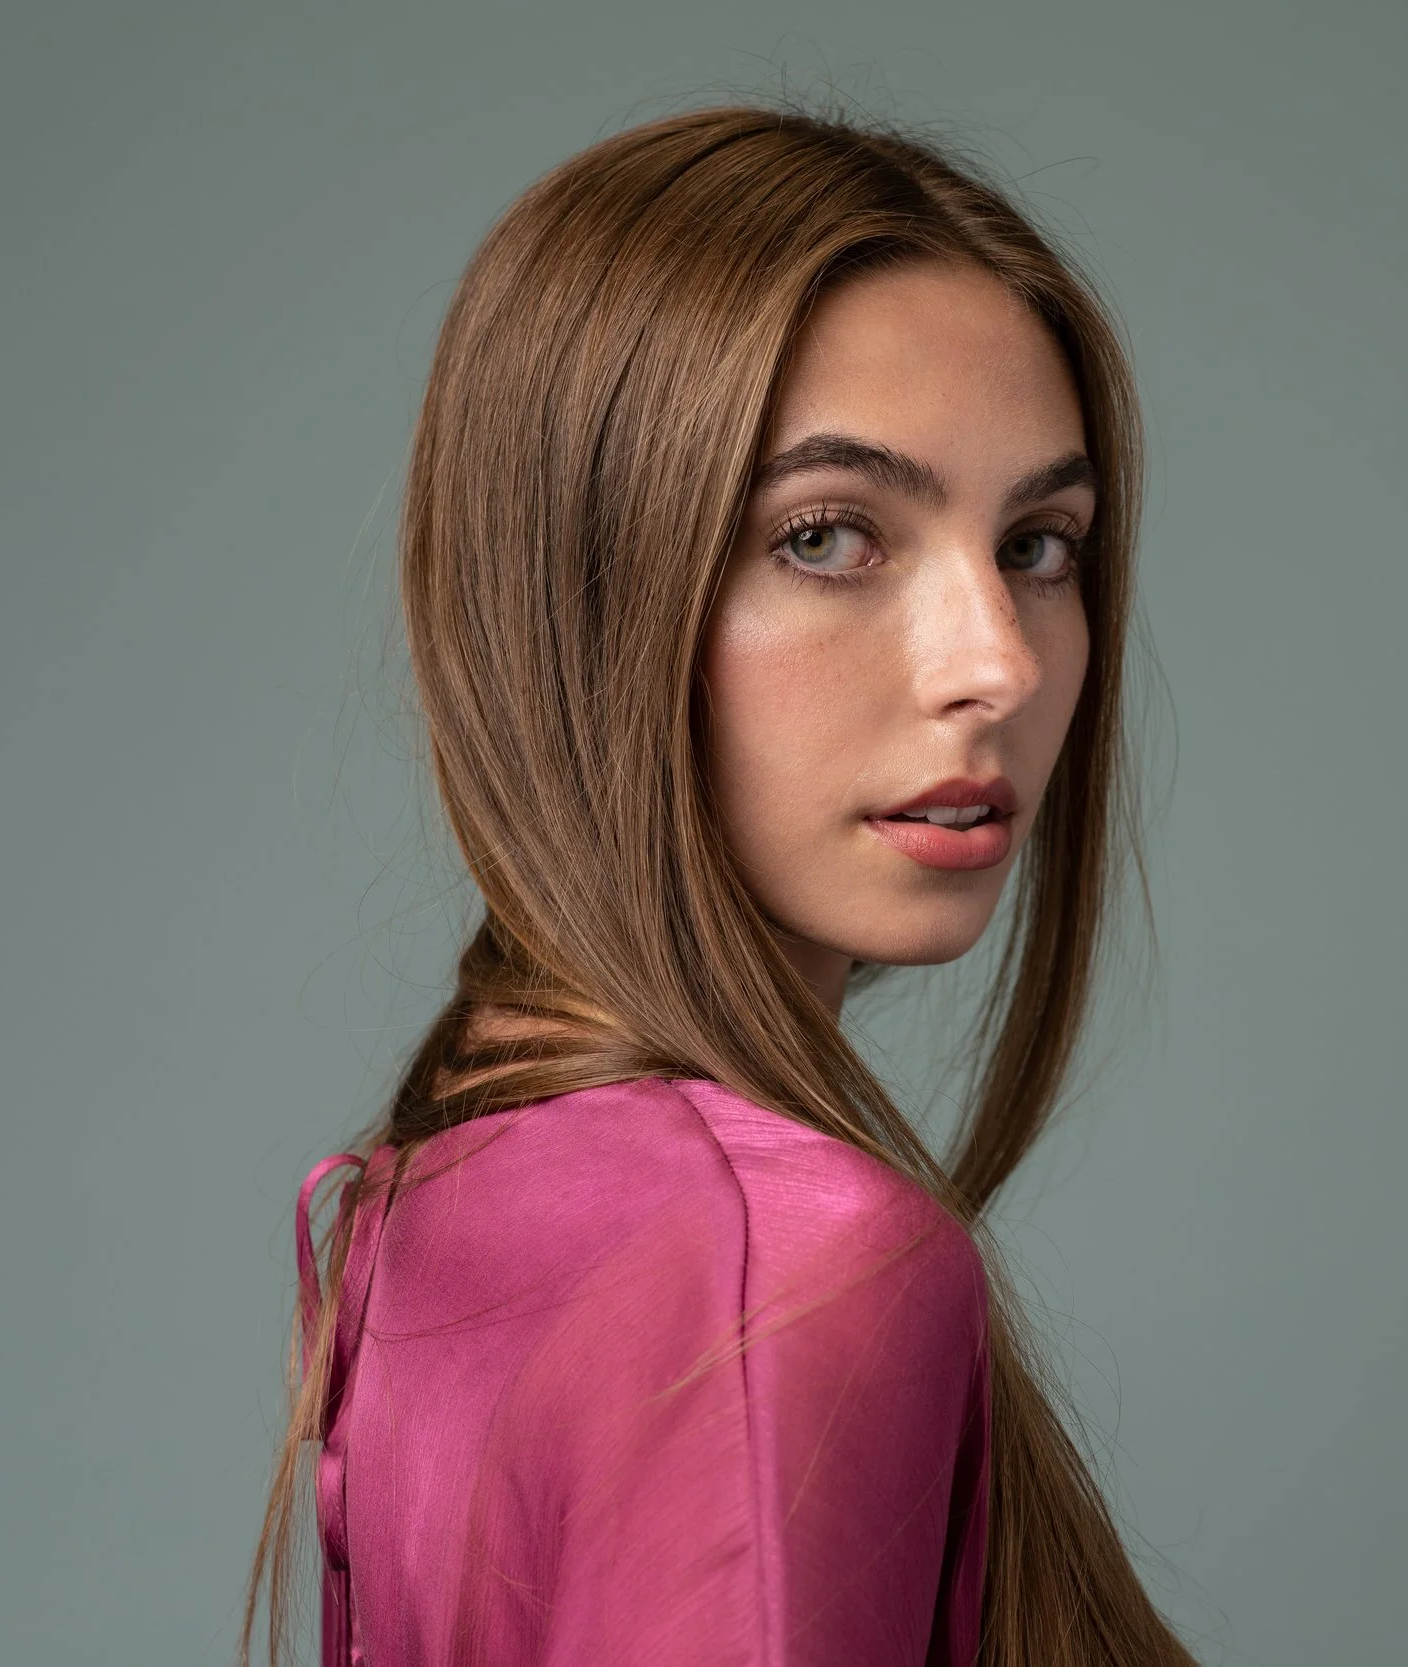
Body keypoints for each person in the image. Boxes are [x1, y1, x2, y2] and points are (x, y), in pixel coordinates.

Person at [243, 105, 1196, 1667]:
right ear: (583, 597)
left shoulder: (454, 1183)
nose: (999, 662)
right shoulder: (779, 1264)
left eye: (1040, 542)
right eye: (829, 536)